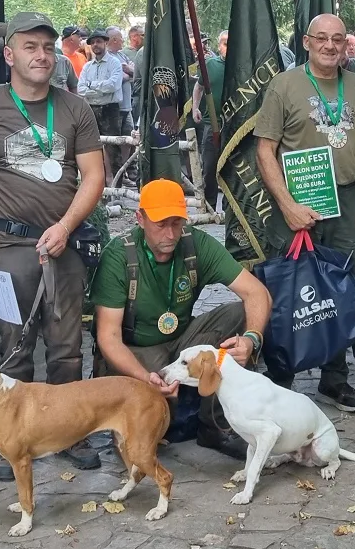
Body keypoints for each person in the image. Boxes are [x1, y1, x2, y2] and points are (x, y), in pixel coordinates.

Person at [0, 12, 106, 482]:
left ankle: (70, 433)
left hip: (64, 243)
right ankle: (12, 437)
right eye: (29, 46)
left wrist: (64, 227)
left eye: (47, 46)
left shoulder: (75, 108)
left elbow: (94, 176)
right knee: (13, 348)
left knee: (66, 346)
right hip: (5, 244)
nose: (41, 55)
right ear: (9, 54)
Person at [91, 179, 272, 460]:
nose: (171, 233)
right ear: (140, 218)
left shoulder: (195, 243)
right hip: (137, 350)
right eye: (161, 224)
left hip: (182, 339)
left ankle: (216, 426)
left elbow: (257, 293)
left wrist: (251, 340)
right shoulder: (119, 255)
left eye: (177, 223)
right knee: (139, 443)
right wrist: (143, 377)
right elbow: (108, 337)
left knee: (238, 314)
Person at [255, 14, 355, 413]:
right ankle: (281, 379)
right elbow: (264, 150)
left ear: (346, 44)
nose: (330, 45)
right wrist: (288, 206)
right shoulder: (284, 85)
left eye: (338, 39)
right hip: (296, 202)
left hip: (346, 203)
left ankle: (335, 379)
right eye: (322, 38)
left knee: (341, 291)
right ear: (307, 42)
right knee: (289, 293)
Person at [78, 28, 124, 185]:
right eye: (92, 42)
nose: (95, 45)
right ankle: (99, 186)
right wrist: (99, 88)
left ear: (106, 42)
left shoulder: (114, 63)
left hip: (110, 109)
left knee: (113, 147)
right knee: (93, 147)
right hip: (91, 109)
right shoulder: (87, 66)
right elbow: (80, 89)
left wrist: (91, 86)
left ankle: (117, 187)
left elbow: (113, 85)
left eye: (99, 41)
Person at [192, 30, 228, 209]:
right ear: (219, 46)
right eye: (225, 44)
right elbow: (198, 87)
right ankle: (210, 205)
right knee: (210, 166)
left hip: (235, 124)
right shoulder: (209, 65)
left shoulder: (243, 66)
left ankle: (231, 207)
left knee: (232, 167)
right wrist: (195, 108)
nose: (228, 48)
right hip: (211, 124)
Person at [107, 26, 136, 184]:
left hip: (127, 106)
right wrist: (126, 73)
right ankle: (113, 174)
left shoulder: (122, 55)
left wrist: (128, 72)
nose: (123, 41)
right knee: (114, 141)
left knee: (128, 139)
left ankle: (122, 171)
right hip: (115, 107)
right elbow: (116, 78)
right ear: (114, 40)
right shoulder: (108, 57)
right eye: (121, 38)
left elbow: (135, 72)